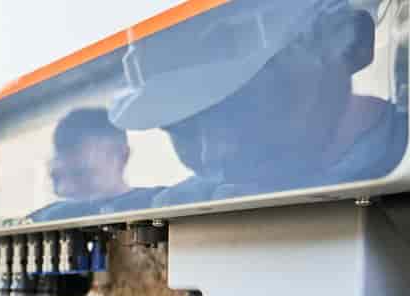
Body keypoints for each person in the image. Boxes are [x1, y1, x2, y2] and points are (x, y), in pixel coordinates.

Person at [109, 0, 407, 206]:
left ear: (354, 43)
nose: (215, 154)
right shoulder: (199, 197)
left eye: (243, 105)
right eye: (182, 129)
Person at [29, 107, 160, 223]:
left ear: (121, 155)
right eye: (56, 178)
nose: (65, 188)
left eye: (81, 173)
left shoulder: (161, 204)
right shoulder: (46, 217)